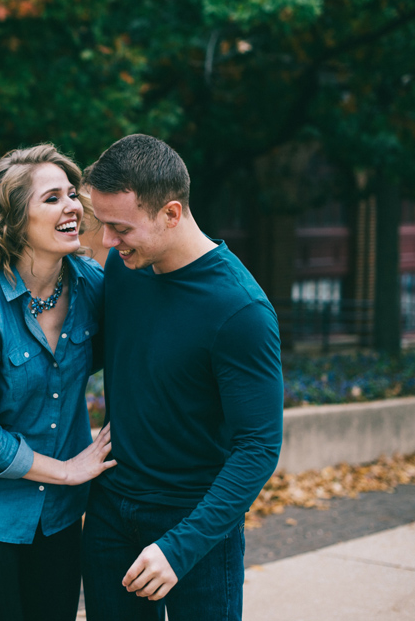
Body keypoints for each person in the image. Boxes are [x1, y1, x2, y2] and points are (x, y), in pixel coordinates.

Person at [81, 134, 283, 621]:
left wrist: (179, 547)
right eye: (103, 225)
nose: (107, 241)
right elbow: (100, 356)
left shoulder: (241, 311)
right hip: (110, 512)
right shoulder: (126, 267)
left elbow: (258, 447)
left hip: (196, 525)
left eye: (120, 228)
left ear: (171, 213)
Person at [0, 144, 116, 621]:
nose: (73, 206)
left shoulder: (93, 285)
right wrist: (69, 470)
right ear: (14, 222)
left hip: (56, 514)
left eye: (72, 194)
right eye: (52, 198)